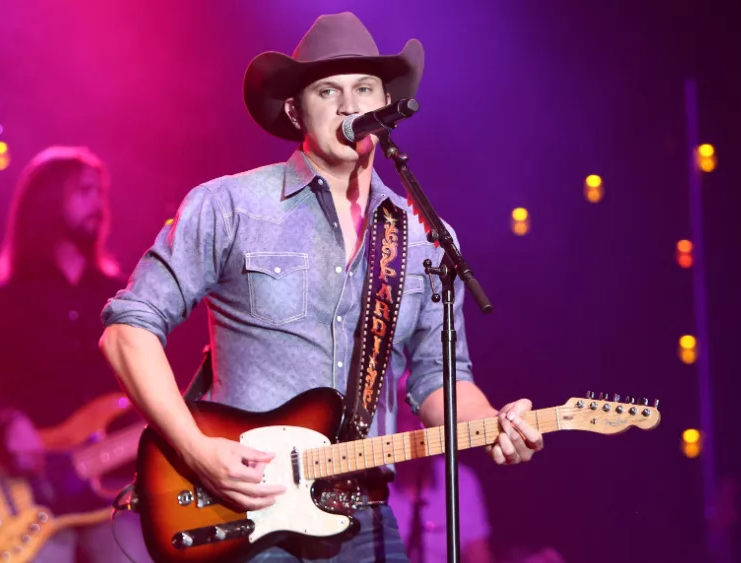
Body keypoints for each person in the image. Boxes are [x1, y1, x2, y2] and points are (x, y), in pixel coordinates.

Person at [99, 12, 544, 562]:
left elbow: (440, 380)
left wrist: (494, 425)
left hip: (366, 517)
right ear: (295, 110)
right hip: (243, 510)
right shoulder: (230, 206)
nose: (349, 105)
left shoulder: (426, 237)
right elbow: (128, 330)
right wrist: (195, 451)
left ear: (386, 104)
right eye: (328, 90)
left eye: (364, 89)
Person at [0, 146, 154, 563]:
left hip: (112, 489)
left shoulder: (122, 296)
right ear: (47, 202)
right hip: (28, 491)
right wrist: (7, 422)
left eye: (101, 192)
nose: (98, 203)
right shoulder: (1, 303)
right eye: (84, 191)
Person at [389, 378, 495, 563]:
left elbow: (479, 557)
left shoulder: (462, 480)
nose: (416, 431)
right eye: (407, 419)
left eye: (424, 422)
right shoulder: (368, 482)